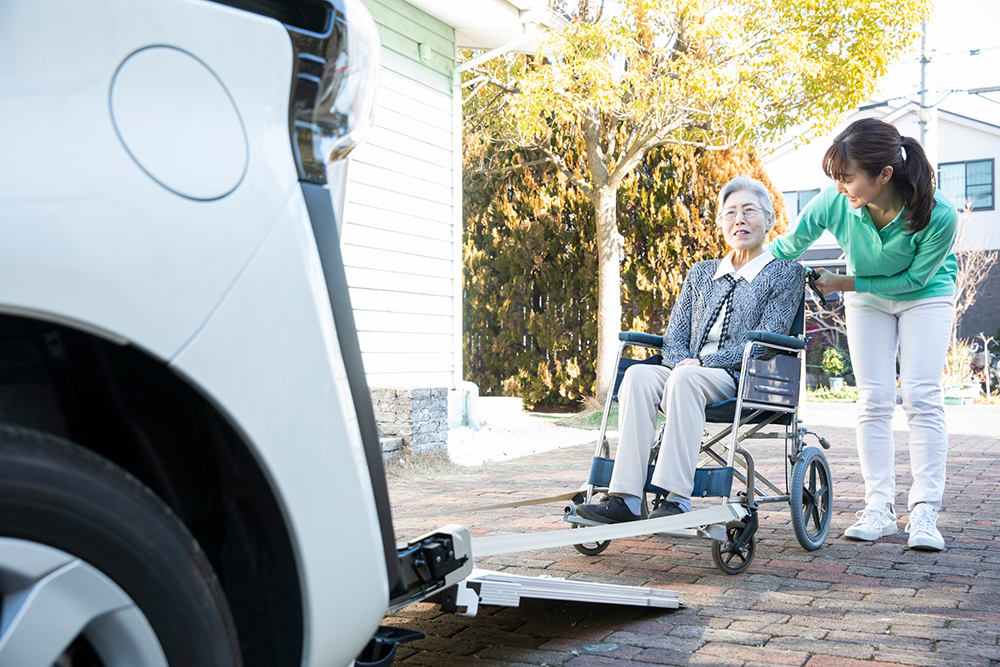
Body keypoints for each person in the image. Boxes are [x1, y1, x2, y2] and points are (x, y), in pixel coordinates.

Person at [768, 117, 958, 552]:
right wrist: (735, 265)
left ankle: (925, 510)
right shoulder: (834, 201)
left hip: (925, 295)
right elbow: (788, 247)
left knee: (921, 395)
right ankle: (879, 508)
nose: (839, 187)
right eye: (836, 177)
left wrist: (843, 283)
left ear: (884, 174)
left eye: (848, 177)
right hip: (867, 300)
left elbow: (913, 280)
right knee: (873, 399)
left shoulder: (939, 213)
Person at [576, 175, 805, 525]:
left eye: (749, 211)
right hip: (686, 371)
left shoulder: (785, 273)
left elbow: (766, 342)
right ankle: (626, 499)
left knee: (685, 379)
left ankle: (676, 498)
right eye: (730, 213)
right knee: (637, 376)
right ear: (721, 223)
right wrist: (681, 362)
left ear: (770, 219)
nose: (739, 220)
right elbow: (675, 334)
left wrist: (702, 362)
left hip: (741, 375)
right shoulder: (701, 273)